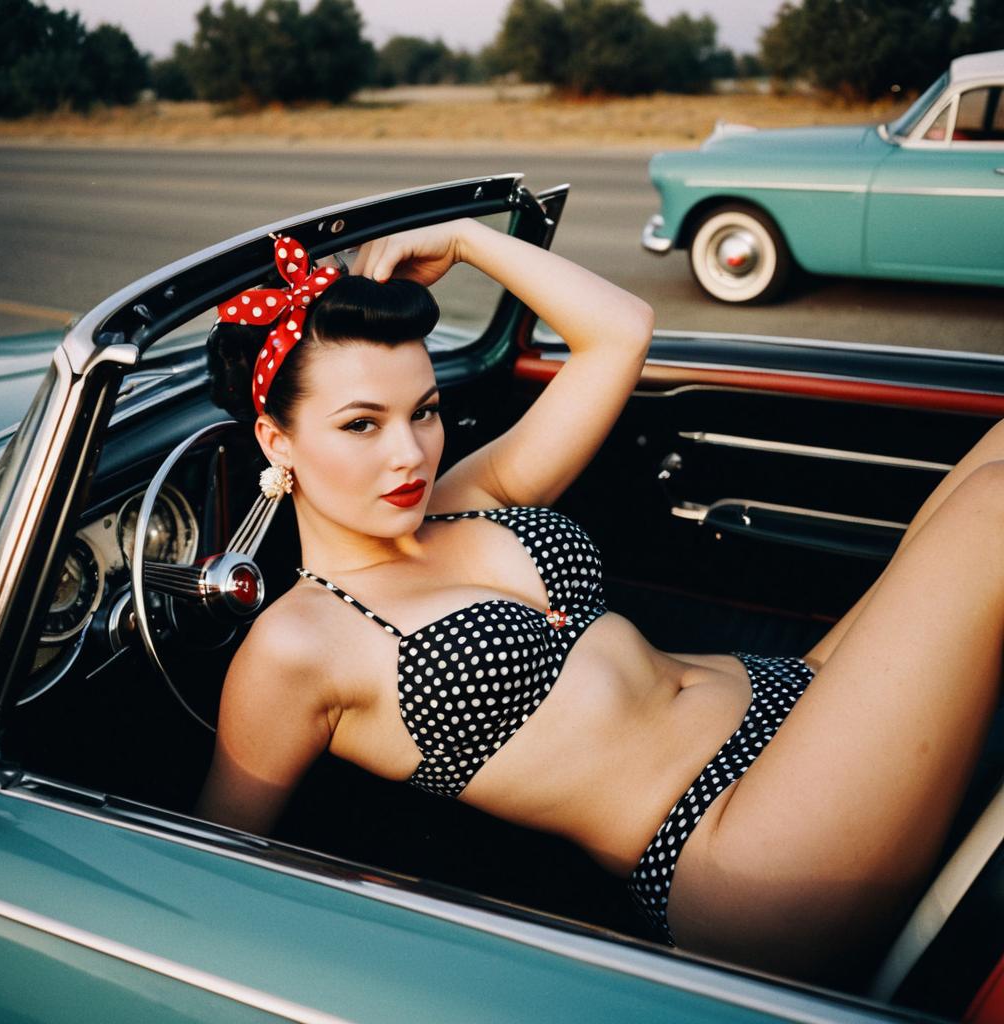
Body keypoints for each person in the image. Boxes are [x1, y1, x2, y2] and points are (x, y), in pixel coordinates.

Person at [197, 218, 1000, 982]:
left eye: (426, 410)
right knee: (993, 511)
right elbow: (205, 869)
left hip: (793, 695)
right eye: (361, 425)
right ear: (278, 441)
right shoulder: (295, 645)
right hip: (736, 847)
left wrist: (469, 240)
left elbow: (619, 331)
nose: (409, 453)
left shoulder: (464, 495)